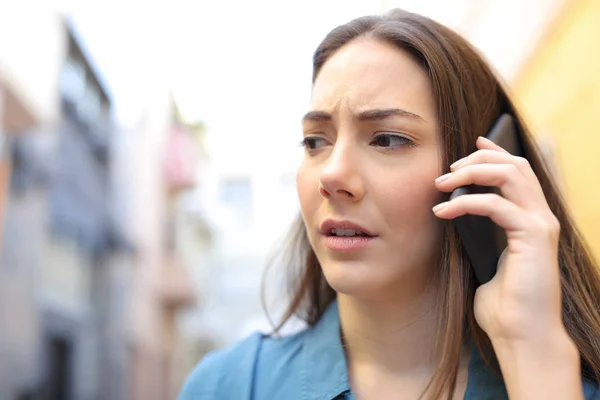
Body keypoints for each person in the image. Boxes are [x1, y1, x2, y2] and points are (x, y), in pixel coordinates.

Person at [179, 9, 600, 400]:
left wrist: (532, 352)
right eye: (315, 142)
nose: (331, 176)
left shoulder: (557, 382)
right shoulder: (226, 387)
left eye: (388, 139)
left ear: (482, 176)